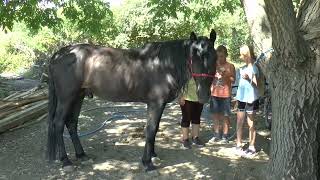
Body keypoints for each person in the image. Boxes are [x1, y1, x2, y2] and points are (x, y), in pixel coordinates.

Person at [235, 45, 260, 156]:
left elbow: (257, 84)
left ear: (248, 55)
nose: (242, 58)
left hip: (251, 99)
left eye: (244, 55)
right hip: (241, 98)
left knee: (251, 123)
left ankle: (251, 146)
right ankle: (239, 144)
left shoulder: (254, 68)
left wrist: (249, 78)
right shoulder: (243, 68)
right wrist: (236, 99)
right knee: (239, 121)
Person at [208, 45, 235, 144]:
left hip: (226, 95)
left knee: (225, 116)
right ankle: (216, 135)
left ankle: (225, 135)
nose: (220, 58)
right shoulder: (213, 65)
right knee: (215, 115)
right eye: (218, 56)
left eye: (222, 56)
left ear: (226, 55)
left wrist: (226, 74)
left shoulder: (230, 66)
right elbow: (209, 77)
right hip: (214, 94)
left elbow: (233, 79)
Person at [179, 78, 205, 149]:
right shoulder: (187, 69)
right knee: (186, 118)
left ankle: (195, 137)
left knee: (196, 118)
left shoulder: (202, 68)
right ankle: (185, 139)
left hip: (199, 97)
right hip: (187, 97)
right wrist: (181, 96)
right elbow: (180, 82)